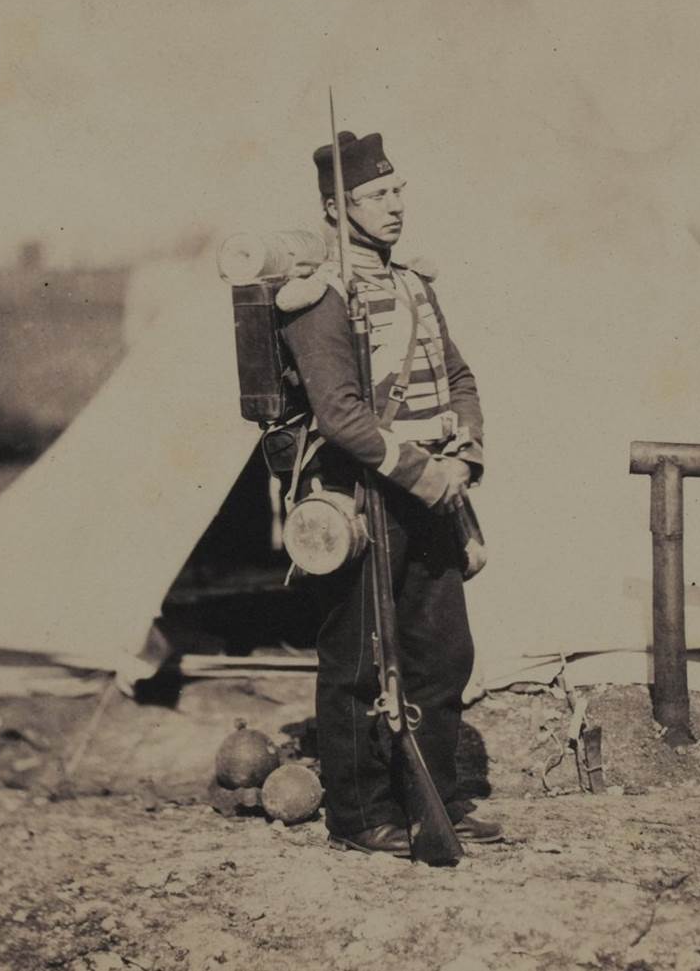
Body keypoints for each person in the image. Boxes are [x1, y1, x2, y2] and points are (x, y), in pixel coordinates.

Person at [277, 129, 502, 855]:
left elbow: (459, 377)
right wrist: (420, 470)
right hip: (363, 494)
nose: (395, 204)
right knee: (359, 656)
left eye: (396, 189)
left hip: (434, 489)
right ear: (337, 209)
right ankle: (358, 814)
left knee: (442, 652)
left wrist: (463, 451)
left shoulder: (411, 282)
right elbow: (340, 414)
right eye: (375, 195)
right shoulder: (319, 295)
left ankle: (431, 798)